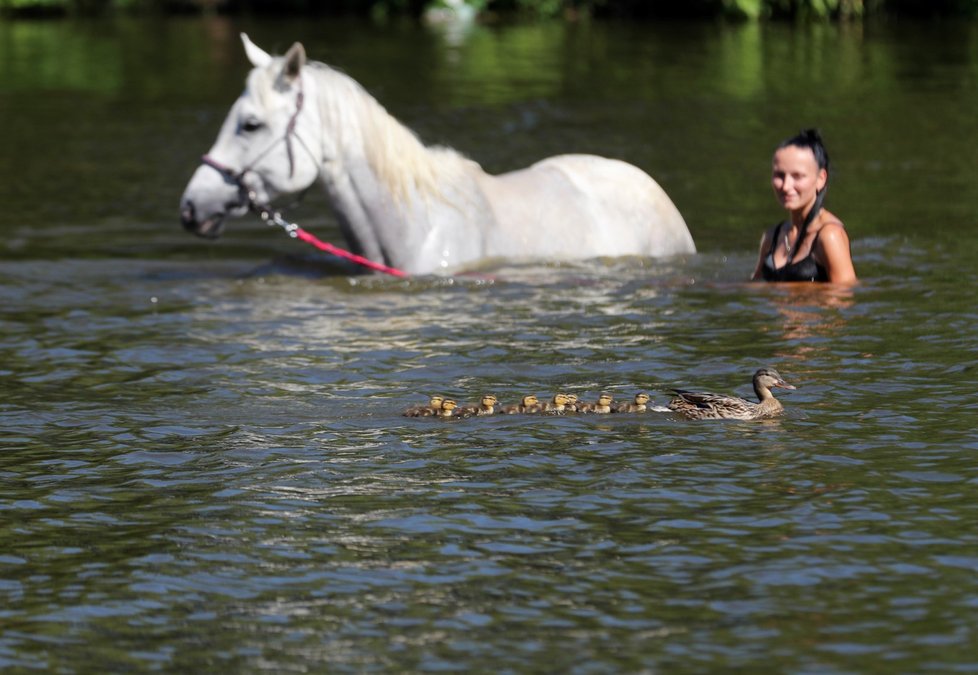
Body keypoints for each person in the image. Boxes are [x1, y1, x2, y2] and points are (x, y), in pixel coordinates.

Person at [751, 129, 857, 284]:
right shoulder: (772, 236)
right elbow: (756, 286)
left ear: (821, 179)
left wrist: (797, 292)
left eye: (797, 176)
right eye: (779, 175)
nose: (786, 186)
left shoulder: (829, 236)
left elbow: (845, 297)